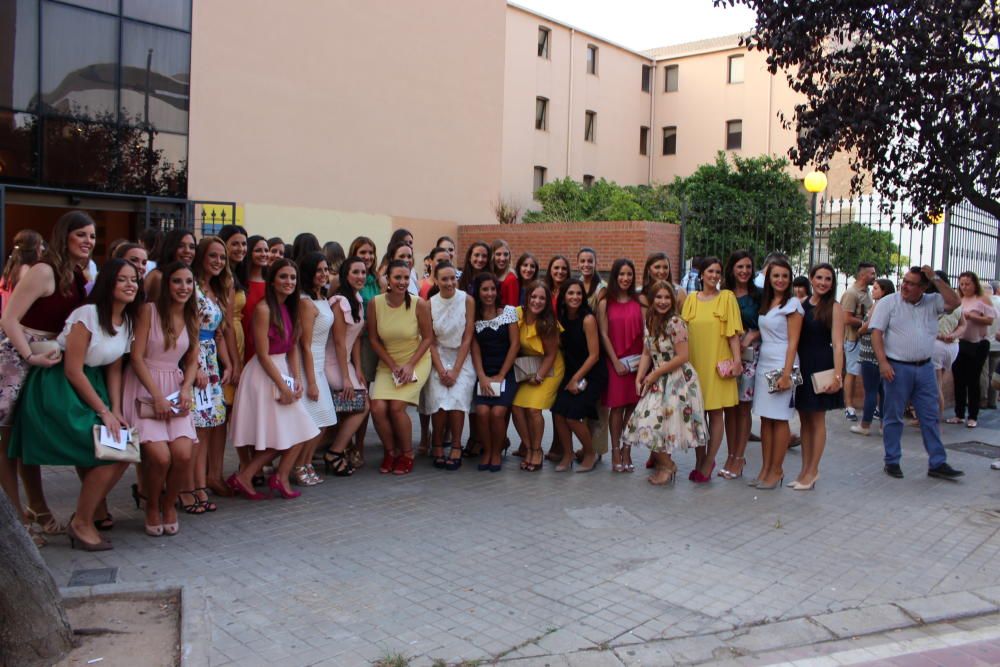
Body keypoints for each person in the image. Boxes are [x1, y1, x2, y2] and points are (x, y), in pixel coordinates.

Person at [10, 258, 141, 550]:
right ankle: (81, 523)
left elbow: (115, 368)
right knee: (112, 453)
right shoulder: (88, 314)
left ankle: (83, 518)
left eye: (134, 279)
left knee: (124, 449)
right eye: (122, 279)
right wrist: (104, 412)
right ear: (108, 283)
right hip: (59, 389)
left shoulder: (128, 320)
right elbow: (72, 369)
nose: (130, 284)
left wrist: (117, 410)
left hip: (94, 386)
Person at [0, 211, 94, 545]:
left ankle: (37, 508)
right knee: (6, 445)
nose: (88, 241)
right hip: (17, 357)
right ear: (64, 235)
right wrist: (28, 355)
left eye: (92, 236)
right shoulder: (43, 270)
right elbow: (9, 319)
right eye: (81, 234)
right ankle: (17, 526)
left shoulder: (79, 275)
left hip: (49, 358)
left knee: (28, 439)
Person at [228, 258, 320, 499]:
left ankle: (271, 476)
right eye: (283, 277)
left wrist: (296, 378)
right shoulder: (263, 309)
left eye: (292, 277)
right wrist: (282, 384)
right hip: (264, 374)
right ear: (272, 280)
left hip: (283, 371)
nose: (288, 282)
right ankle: (248, 476)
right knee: (289, 432)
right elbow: (262, 353)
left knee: (299, 430)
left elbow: (293, 347)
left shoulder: (290, 308)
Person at [122, 261, 199, 535]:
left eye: (189, 282)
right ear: (167, 285)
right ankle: (152, 505)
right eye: (178, 281)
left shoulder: (192, 316)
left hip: (175, 388)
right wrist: (156, 396)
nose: (184, 287)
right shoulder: (149, 311)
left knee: (183, 454)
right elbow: (136, 357)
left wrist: (187, 387)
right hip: (145, 385)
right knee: (160, 457)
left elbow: (192, 360)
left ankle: (170, 504)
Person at [871, 266, 963, 480]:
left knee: (930, 416)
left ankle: (937, 462)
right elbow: (876, 333)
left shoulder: (932, 301)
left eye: (912, 283)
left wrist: (936, 278)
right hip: (897, 367)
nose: (905, 286)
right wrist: (883, 362)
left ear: (923, 287)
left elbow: (955, 302)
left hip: (925, 368)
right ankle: (892, 461)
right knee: (893, 416)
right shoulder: (889, 303)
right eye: (905, 281)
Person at [623, 281, 707, 485]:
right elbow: (646, 351)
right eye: (658, 297)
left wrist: (654, 374)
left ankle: (667, 466)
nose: (662, 301)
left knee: (660, 424)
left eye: (667, 297)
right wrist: (639, 376)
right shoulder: (650, 319)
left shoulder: (676, 323)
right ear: (651, 300)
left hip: (677, 380)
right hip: (657, 377)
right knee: (646, 423)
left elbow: (683, 356)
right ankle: (666, 465)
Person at [368, 260, 433, 475]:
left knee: (396, 408)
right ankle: (390, 452)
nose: (402, 282)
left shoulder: (418, 304)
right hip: (388, 364)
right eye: (397, 277)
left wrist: (409, 365)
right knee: (377, 408)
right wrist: (393, 365)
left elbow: (428, 339)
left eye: (406, 278)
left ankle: (407, 453)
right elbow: (374, 340)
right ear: (387, 279)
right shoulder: (375, 304)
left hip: (416, 361)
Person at [681, 256, 743, 482]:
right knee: (697, 414)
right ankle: (699, 458)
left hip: (717, 363)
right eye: (710, 271)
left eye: (718, 272)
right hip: (694, 364)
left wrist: (737, 362)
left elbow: (733, 334)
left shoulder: (727, 298)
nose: (715, 276)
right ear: (701, 274)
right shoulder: (690, 300)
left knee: (716, 413)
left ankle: (709, 461)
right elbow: (682, 334)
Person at [187, 237, 235, 511]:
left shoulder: (217, 290)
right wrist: (197, 367)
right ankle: (191, 487)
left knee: (208, 426)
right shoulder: (190, 287)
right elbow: (188, 330)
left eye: (222, 257)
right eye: (213, 256)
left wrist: (227, 363)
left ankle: (201, 484)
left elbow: (219, 333)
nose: (218, 261)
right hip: (195, 361)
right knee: (195, 428)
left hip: (212, 361)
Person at [750, 259, 803, 490]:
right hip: (764, 364)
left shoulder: (793, 305)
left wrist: (785, 374)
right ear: (768, 278)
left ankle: (777, 470)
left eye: (784, 276)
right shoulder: (767, 302)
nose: (780, 280)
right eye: (776, 276)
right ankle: (765, 469)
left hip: (783, 364)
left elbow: (793, 343)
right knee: (765, 418)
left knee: (780, 418)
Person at [792, 263, 844, 489]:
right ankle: (804, 470)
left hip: (822, 365)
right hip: (802, 365)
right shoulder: (802, 305)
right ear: (811, 279)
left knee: (817, 419)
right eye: (819, 277)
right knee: (804, 419)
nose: (823, 282)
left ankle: (813, 471)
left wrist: (838, 376)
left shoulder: (834, 307)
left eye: (828, 279)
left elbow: (839, 344)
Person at [422, 262, 475, 470]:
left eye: (453, 278)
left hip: (462, 356)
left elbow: (467, 338)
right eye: (444, 279)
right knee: (438, 398)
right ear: (435, 280)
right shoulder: (429, 304)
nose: (450, 282)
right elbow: (430, 340)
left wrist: (455, 371)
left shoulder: (467, 301)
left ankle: (456, 445)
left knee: (457, 397)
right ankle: (437, 444)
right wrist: (442, 369)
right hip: (438, 356)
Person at [551, 278, 606, 472]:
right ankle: (568, 454)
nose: (575, 297)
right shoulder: (562, 317)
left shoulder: (588, 319)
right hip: (571, 372)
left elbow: (594, 355)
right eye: (570, 293)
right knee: (558, 412)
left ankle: (590, 453)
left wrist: (576, 379)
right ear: (564, 297)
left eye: (578, 293)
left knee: (573, 416)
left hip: (592, 374)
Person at [323, 256, 371, 475]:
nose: (361, 276)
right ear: (346, 274)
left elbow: (357, 339)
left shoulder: (357, 298)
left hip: (348, 362)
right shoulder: (339, 301)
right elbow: (340, 342)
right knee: (361, 405)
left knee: (356, 406)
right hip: (333, 363)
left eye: (363, 272)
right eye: (356, 272)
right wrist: (345, 377)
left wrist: (358, 368)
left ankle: (335, 450)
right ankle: (335, 452)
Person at [294, 252, 338, 485]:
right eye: (319, 270)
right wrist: (311, 382)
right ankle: (299, 464)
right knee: (315, 421)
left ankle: (307, 462)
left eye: (326, 269)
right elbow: (305, 344)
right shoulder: (304, 301)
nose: (323, 274)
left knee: (323, 421)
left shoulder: (323, 297)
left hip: (320, 362)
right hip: (308, 362)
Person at [512, 281, 564, 472]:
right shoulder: (516, 313)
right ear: (527, 297)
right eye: (534, 296)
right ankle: (530, 447)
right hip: (528, 368)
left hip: (549, 369)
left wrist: (540, 377)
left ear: (547, 301)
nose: (537, 301)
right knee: (517, 407)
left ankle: (537, 451)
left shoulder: (548, 323)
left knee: (533, 409)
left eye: (542, 298)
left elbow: (551, 355)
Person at [597, 258, 643, 472]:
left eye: (629, 274)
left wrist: (643, 365)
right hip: (615, 362)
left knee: (633, 409)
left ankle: (627, 449)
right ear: (614, 277)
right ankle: (615, 450)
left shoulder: (639, 301)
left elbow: (646, 334)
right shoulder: (606, 302)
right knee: (616, 409)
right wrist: (615, 362)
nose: (625, 278)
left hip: (637, 363)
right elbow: (603, 335)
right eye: (621, 274)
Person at [470, 273, 520, 472]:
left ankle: (497, 452)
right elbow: (474, 348)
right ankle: (488, 451)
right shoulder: (474, 316)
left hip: (506, 372)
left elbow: (515, 345)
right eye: (485, 289)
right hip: (484, 371)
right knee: (482, 412)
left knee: (498, 413)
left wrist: (501, 375)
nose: (489, 293)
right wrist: (481, 376)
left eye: (492, 289)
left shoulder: (508, 312)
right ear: (478, 292)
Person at [721, 250, 760, 481]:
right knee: (729, 407)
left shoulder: (759, 295)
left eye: (748, 267)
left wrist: (752, 335)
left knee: (743, 407)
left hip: (750, 355)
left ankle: (740, 456)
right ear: (732, 269)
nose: (744, 271)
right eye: (740, 267)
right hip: (726, 353)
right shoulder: (724, 294)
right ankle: (730, 454)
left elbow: (767, 321)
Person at [946, 271, 996, 428]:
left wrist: (972, 316)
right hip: (960, 342)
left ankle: (973, 415)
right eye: (962, 284)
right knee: (958, 378)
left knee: (973, 379)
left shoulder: (982, 299)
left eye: (968, 284)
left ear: (975, 284)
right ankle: (959, 413)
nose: (965, 287)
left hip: (978, 343)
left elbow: (989, 320)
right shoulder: (958, 299)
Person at [577, 247, 609, 465]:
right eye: (583, 261)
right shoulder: (577, 284)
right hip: (579, 350)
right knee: (585, 405)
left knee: (598, 405)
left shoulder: (602, 289)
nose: (586, 264)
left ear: (596, 262)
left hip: (596, 350)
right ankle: (585, 445)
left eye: (590, 261)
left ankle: (597, 450)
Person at [853, 279, 895, 436]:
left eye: (876, 288)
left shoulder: (879, 306)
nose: (872, 290)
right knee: (883, 391)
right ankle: (884, 425)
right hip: (884, 353)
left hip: (871, 354)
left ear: (884, 291)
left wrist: (859, 331)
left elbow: (870, 326)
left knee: (871, 391)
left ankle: (865, 424)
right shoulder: (891, 306)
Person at [841, 263, 876, 422]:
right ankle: (849, 406)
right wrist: (866, 323)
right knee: (852, 372)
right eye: (872, 273)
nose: (875, 276)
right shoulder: (851, 293)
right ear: (863, 275)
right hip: (854, 340)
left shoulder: (867, 292)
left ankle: (872, 406)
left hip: (867, 341)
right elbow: (846, 318)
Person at [239, 235, 270, 364]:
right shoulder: (240, 283)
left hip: (266, 345)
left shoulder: (272, 285)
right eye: (258, 250)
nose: (263, 254)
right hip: (242, 343)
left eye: (266, 250)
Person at [144, 229, 196, 301]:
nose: (187, 251)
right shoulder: (159, 277)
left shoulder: (193, 276)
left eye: (192, 247)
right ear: (170, 248)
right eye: (180, 246)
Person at [1, 230, 44, 310]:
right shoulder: (25, 270)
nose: (42, 248)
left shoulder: (11, 268)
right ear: (32, 248)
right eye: (40, 244)